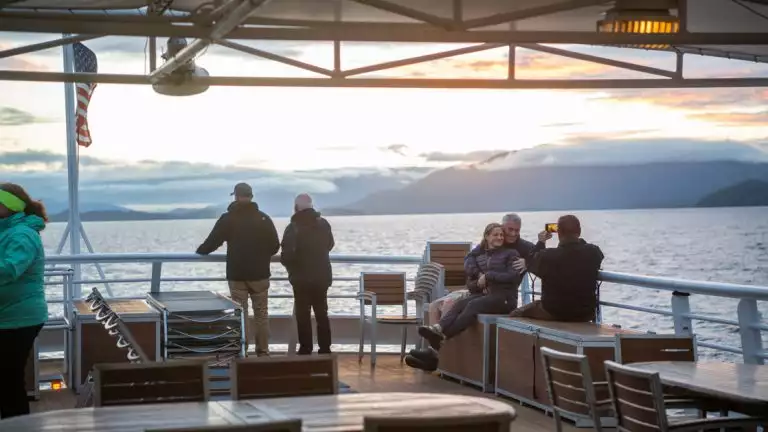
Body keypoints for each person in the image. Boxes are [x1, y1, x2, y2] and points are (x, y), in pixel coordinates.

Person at [407, 223, 522, 371]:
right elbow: (471, 283)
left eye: (501, 235)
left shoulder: (511, 254)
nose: (499, 237)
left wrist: (489, 276)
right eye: (495, 234)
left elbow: (513, 276)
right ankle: (438, 328)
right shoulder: (481, 256)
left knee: (473, 306)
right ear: (487, 236)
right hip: (485, 295)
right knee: (461, 303)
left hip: (505, 298)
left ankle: (441, 338)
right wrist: (478, 285)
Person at [196, 182, 279, 357]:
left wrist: (200, 251)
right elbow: (274, 246)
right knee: (261, 314)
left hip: (237, 274)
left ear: (235, 196)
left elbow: (213, 242)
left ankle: (243, 351)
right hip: (260, 274)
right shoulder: (263, 219)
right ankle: (263, 352)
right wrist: (261, 257)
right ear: (251, 196)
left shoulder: (228, 219)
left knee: (241, 314)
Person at [0, 183, 48, 419]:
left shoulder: (22, 234)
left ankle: (16, 425)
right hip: (7, 315)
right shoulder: (7, 231)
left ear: (9, 206)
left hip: (19, 317)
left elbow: (9, 269)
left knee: (8, 380)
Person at [510, 214, 604, 322]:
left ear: (558, 233)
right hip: (585, 313)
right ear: (579, 231)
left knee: (515, 314)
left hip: (552, 311)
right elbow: (595, 254)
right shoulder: (593, 252)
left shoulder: (547, 256)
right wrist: (578, 241)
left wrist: (541, 242)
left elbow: (530, 262)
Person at [280, 194, 335, 355]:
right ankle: (325, 349)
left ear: (296, 207)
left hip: (301, 278)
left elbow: (287, 255)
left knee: (303, 315)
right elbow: (330, 244)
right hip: (321, 276)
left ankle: (305, 348)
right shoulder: (323, 224)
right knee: (321, 313)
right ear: (312, 206)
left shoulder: (293, 227)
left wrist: (291, 267)